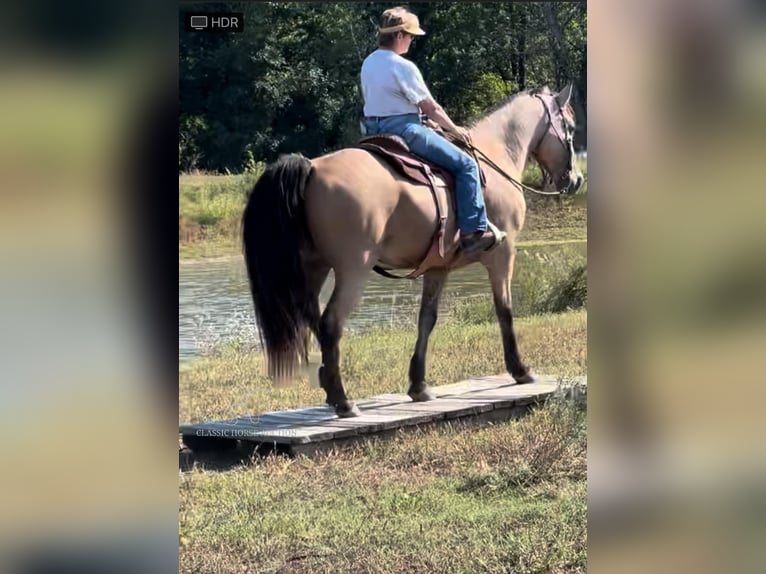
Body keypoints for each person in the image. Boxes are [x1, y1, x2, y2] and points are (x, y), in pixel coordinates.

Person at [360, 6, 505, 254]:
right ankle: (473, 231)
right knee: (467, 165)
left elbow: (387, 100)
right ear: (398, 36)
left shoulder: (368, 62)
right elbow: (430, 107)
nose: (411, 41)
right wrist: (454, 129)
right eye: (410, 36)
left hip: (373, 131)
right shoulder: (403, 66)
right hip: (405, 130)